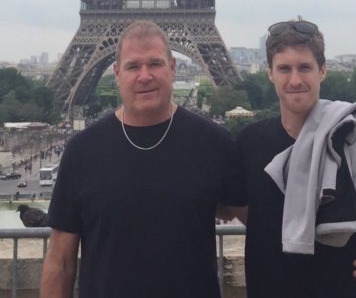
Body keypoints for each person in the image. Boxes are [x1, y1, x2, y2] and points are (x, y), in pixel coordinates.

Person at [40, 20, 246, 298]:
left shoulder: (215, 143)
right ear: (117, 72)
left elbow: (259, 219)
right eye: (134, 66)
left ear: (172, 67)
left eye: (155, 64)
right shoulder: (81, 151)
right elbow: (60, 262)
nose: (144, 75)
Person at [234, 19, 356, 297]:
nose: (295, 80)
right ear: (269, 73)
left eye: (304, 67)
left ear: (322, 71)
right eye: (284, 69)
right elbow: (237, 208)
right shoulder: (249, 143)